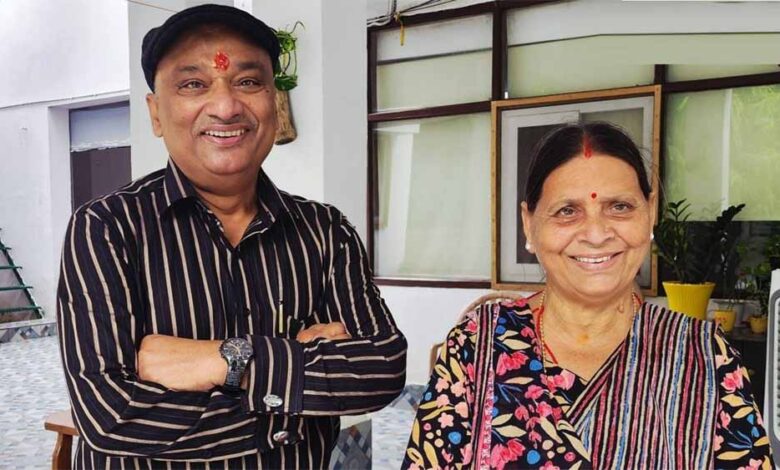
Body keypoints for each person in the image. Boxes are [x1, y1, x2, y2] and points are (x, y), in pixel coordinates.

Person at [57, 4, 406, 468]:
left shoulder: (325, 232)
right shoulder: (107, 228)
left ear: (274, 102)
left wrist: (227, 359)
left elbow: (381, 370)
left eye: (248, 82)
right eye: (193, 84)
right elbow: (110, 417)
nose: (225, 107)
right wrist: (293, 397)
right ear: (156, 113)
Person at [402, 122, 772, 469]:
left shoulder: (703, 355)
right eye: (567, 211)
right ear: (529, 224)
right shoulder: (476, 345)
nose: (596, 234)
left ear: (650, 212)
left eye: (620, 207)